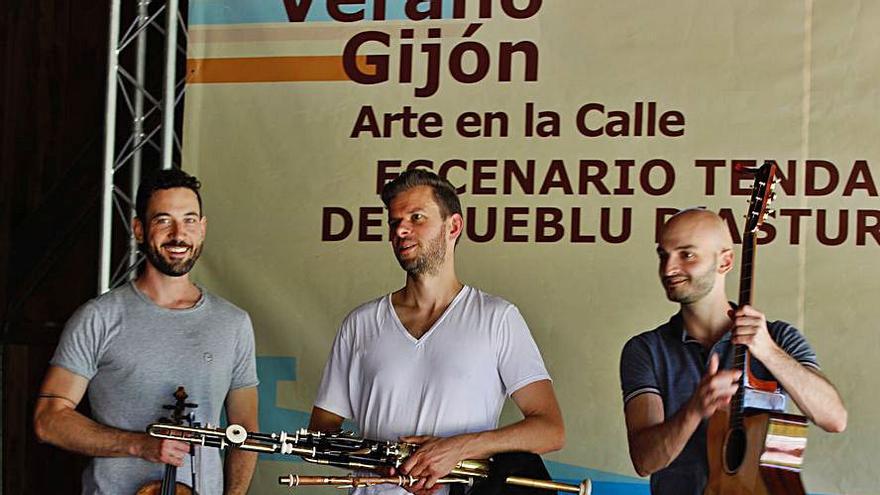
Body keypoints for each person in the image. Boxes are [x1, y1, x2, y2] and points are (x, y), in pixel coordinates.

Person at [309, 169, 565, 494]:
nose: (401, 229)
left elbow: (550, 430)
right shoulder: (360, 324)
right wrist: (380, 461)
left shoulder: (497, 319)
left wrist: (460, 448)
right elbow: (321, 431)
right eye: (394, 222)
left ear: (453, 226)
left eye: (416, 217)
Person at [33, 169, 259, 495]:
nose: (179, 234)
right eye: (164, 220)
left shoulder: (233, 323)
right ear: (139, 229)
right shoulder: (98, 317)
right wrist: (139, 445)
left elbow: (245, 432)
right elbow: (48, 421)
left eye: (190, 220)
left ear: (203, 228)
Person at [619, 208, 847, 494]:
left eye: (686, 254)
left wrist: (768, 352)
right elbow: (645, 461)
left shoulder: (778, 337)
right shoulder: (645, 350)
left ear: (725, 261)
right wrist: (694, 410)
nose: (668, 269)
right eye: (663, 255)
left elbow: (834, 418)